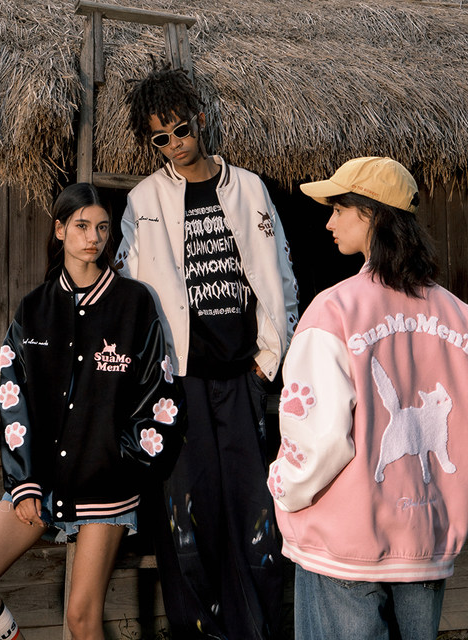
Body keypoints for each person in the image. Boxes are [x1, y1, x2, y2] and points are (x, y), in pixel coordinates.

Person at [116, 64, 299, 640]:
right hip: (181, 381)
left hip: (243, 376)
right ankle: (199, 632)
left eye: (180, 130)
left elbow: (281, 275)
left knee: (253, 509)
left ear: (198, 121)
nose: (174, 144)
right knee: (189, 514)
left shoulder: (248, 188)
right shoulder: (144, 199)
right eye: (160, 138)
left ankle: (257, 630)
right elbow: (128, 286)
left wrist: (269, 360)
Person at [267, 156, 468, 640]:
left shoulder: (334, 311)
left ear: (372, 213)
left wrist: (283, 487)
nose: (329, 222)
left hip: (344, 547)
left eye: (339, 209)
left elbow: (319, 439)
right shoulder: (459, 316)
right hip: (426, 541)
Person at [0, 183, 184, 640]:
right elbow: (12, 397)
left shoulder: (134, 303)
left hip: (105, 485)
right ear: (59, 230)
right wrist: (23, 480)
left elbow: (161, 396)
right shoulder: (34, 308)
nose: (93, 237)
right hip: (39, 479)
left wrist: (121, 460)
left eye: (102, 227)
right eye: (81, 226)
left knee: (81, 618)